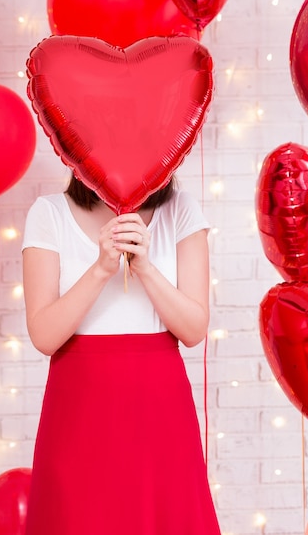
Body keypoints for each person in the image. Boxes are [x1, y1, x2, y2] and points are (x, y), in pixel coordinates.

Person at [22, 173, 221, 535]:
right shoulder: (48, 213)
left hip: (160, 413)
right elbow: (44, 335)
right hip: (79, 413)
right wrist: (101, 269)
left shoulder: (180, 210)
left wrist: (144, 267)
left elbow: (194, 329)